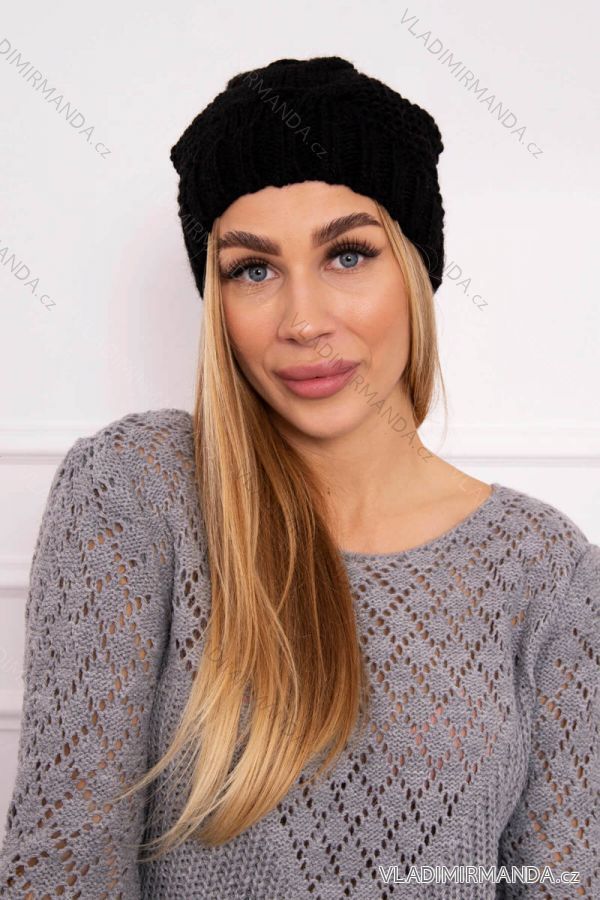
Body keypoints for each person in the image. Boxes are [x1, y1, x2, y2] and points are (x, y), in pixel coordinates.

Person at [0, 56, 598, 899]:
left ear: (416, 273)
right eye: (253, 270)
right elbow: (59, 868)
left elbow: (561, 879)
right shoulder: (136, 488)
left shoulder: (546, 567)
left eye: (348, 256)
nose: (304, 320)